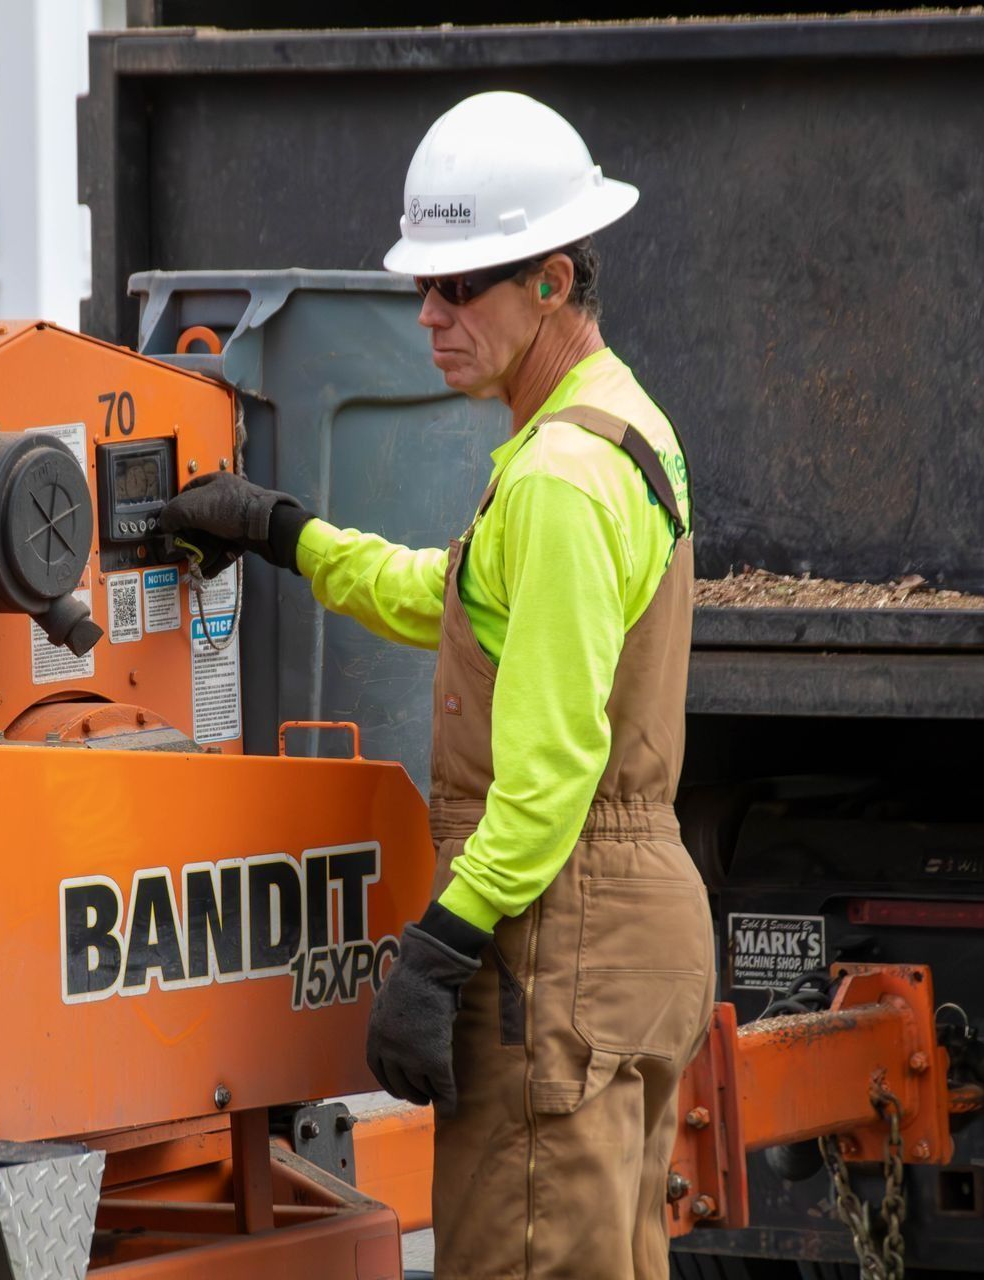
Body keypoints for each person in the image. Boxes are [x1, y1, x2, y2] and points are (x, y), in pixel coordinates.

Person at [160, 91, 715, 1278]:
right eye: (425, 286)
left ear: (553, 280)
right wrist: (288, 533)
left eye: (461, 287)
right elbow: (458, 601)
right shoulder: (617, 426)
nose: (429, 315)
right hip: (623, 934)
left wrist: (444, 944)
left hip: (562, 937)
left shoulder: (561, 476)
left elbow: (554, 763)